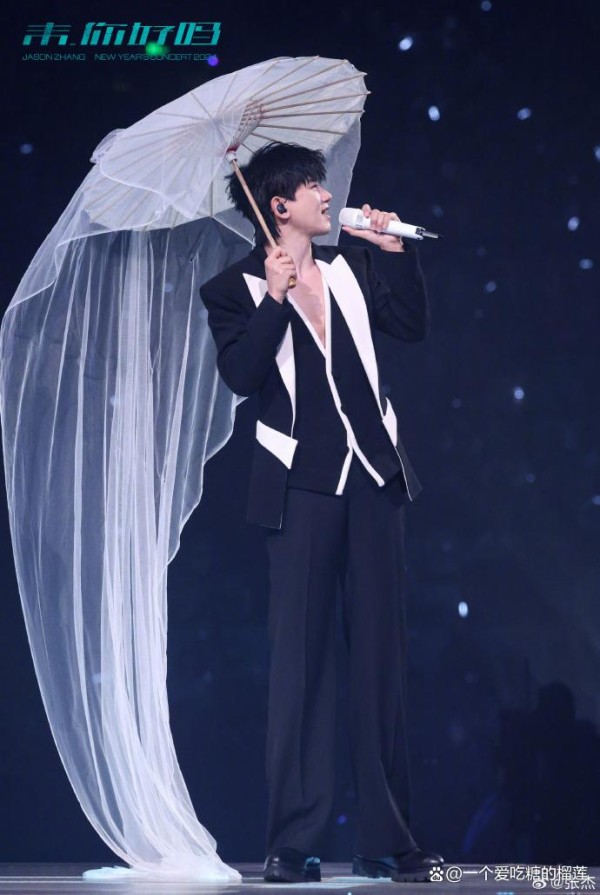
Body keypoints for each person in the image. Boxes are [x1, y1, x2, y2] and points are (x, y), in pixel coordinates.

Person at [199, 142, 443, 884]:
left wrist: (395, 252)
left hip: (373, 478)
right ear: (279, 205)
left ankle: (389, 840)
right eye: (312, 185)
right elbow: (241, 376)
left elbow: (411, 326)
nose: (327, 194)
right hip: (300, 488)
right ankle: (293, 840)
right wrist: (274, 298)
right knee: (300, 666)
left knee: (380, 664)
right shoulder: (234, 288)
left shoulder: (350, 264)